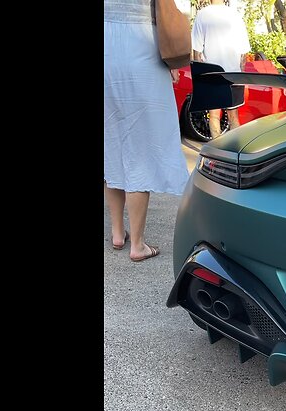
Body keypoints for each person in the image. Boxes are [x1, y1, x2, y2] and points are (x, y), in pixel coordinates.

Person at [104, 0, 192, 262]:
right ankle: (138, 245)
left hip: (107, 47)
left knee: (111, 142)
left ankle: (118, 233)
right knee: (141, 146)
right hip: (141, 46)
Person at [191, 0, 252, 138]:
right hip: (233, 74)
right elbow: (244, 53)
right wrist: (240, 72)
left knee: (214, 116)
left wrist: (199, 77)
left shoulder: (202, 14)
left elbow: (197, 52)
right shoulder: (235, 15)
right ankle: (235, 151)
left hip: (212, 74)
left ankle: (216, 154)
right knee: (233, 117)